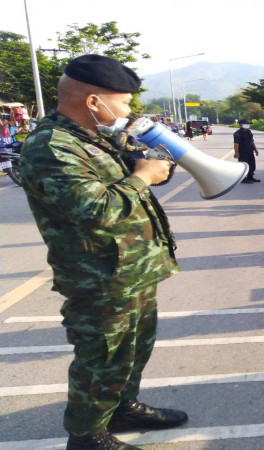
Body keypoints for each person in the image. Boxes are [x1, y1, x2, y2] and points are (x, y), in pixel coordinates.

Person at [17, 54, 187, 450]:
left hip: (132, 269)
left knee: (133, 350)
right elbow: (93, 210)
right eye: (124, 102)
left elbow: (144, 168)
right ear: (94, 101)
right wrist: (142, 178)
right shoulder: (51, 146)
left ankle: (122, 407)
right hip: (98, 275)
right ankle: (87, 435)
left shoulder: (93, 136)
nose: (128, 110)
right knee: (102, 356)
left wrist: (154, 157)